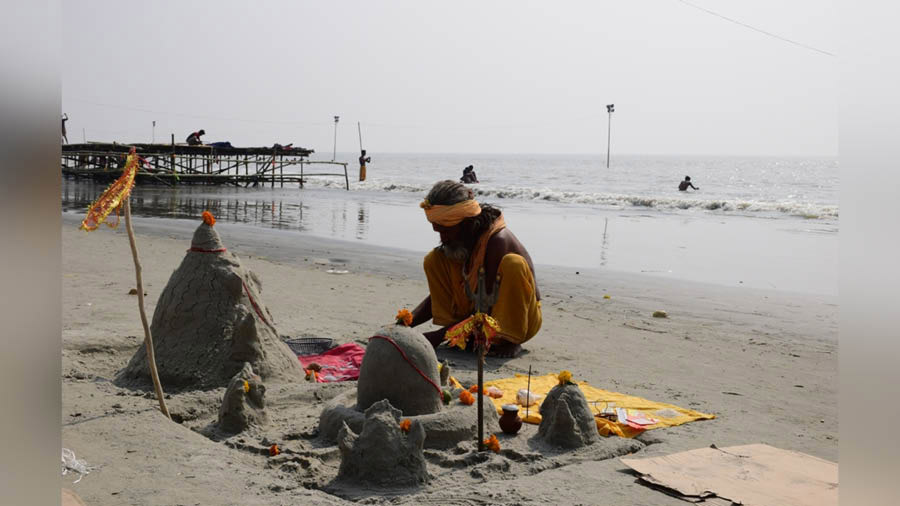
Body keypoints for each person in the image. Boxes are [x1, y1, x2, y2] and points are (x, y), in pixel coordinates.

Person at [409, 180, 542, 358]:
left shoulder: (497, 242)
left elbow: (483, 307)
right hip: (476, 314)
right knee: (435, 259)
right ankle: (461, 331)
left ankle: (510, 340)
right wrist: (404, 324)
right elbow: (439, 296)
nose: (443, 238)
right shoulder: (461, 241)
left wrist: (438, 336)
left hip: (522, 319)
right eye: (438, 232)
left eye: (447, 231)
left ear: (466, 223)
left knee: (513, 263)